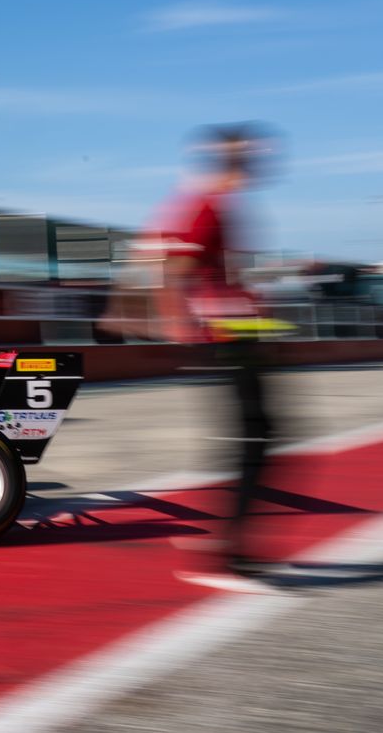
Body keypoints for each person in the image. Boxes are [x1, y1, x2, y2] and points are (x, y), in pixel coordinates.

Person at [146, 123, 288, 588]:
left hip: (238, 335)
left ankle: (232, 543)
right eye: (248, 155)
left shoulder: (221, 203)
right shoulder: (206, 204)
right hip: (228, 339)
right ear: (230, 160)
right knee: (257, 437)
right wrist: (182, 324)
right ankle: (231, 545)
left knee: (259, 436)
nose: (258, 161)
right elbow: (174, 270)